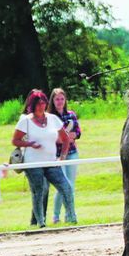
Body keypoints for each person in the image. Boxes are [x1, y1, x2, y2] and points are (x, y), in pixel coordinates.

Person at [13, 89, 76, 227]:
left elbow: (65, 139)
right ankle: (40, 222)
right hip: (33, 163)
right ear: (33, 105)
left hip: (51, 161)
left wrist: (62, 157)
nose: (41, 106)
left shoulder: (53, 119)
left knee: (66, 187)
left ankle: (72, 218)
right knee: (39, 191)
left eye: (43, 103)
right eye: (38, 103)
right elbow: (15, 140)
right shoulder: (26, 121)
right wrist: (29, 144)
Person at [48, 88, 81, 225]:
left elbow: (77, 132)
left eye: (62, 99)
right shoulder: (50, 117)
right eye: (57, 99)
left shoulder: (71, 115)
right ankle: (56, 216)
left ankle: (69, 214)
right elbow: (53, 137)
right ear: (53, 101)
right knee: (63, 186)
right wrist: (64, 138)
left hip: (72, 153)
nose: (60, 102)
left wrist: (72, 136)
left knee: (71, 185)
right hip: (57, 155)